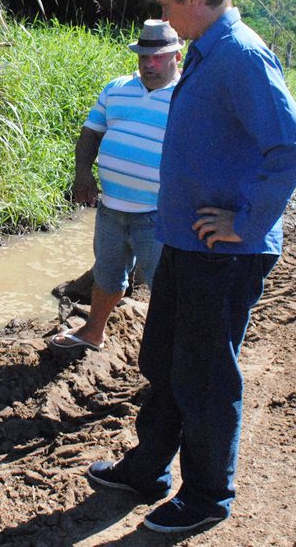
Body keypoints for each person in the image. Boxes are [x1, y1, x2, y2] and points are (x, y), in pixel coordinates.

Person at [85, 0, 296, 534]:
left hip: (224, 253)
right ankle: (147, 470)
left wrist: (245, 222)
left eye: (166, 6)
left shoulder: (241, 56)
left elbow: (293, 148)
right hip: (187, 243)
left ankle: (209, 495)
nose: (162, 21)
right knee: (163, 359)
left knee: (205, 374)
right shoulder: (209, 53)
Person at [48, 19, 182, 351]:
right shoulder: (116, 88)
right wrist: (83, 175)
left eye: (159, 57)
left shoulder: (186, 97)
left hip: (157, 216)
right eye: (143, 57)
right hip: (110, 210)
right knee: (107, 278)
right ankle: (93, 333)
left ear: (177, 56)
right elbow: (90, 133)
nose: (149, 65)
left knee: (167, 289)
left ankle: (175, 355)